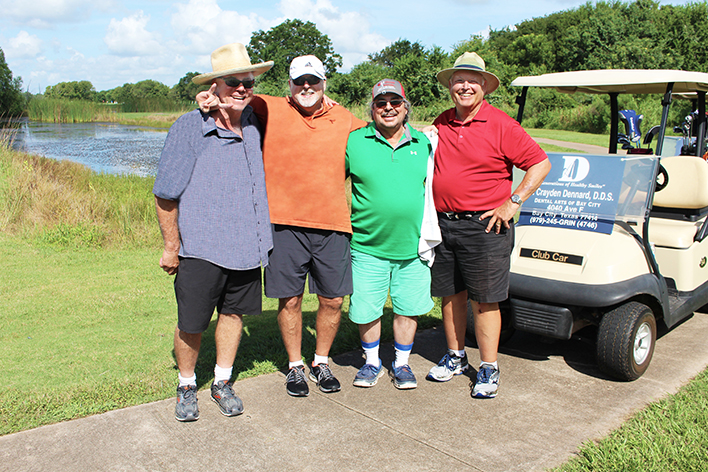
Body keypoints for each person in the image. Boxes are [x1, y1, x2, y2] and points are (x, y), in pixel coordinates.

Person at [197, 55, 367, 397]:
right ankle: (295, 366)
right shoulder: (268, 107)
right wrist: (207, 98)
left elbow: (380, 132)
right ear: (289, 85)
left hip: (333, 225)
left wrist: (425, 131)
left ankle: (321, 360)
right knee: (289, 300)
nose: (307, 87)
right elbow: (232, 99)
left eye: (314, 81)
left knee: (333, 300)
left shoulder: (344, 116)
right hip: (284, 226)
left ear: (324, 84)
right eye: (300, 81)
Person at [153, 43, 273, 421]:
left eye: (248, 82)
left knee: (234, 316)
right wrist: (172, 246)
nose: (242, 88)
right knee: (191, 323)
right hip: (201, 248)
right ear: (215, 86)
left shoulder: (255, 120)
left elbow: (298, 102)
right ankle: (186, 384)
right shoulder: (190, 126)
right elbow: (165, 194)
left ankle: (222, 381)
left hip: (246, 246)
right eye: (233, 82)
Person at [426, 52, 551, 398]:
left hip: (485, 226)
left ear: (484, 86)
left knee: (485, 301)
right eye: (458, 80)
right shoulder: (443, 121)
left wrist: (514, 201)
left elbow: (540, 164)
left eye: (472, 80)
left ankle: (488, 368)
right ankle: (455, 357)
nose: (464, 86)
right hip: (444, 224)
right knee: (450, 297)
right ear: (450, 86)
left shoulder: (502, 125)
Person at [345, 79, 435, 390]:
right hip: (367, 245)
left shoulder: (424, 143)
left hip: (413, 247)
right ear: (371, 109)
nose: (388, 108)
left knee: (407, 307)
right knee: (366, 307)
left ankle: (402, 363)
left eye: (394, 102)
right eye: (381, 103)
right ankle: (372, 362)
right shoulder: (355, 142)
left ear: (405, 107)